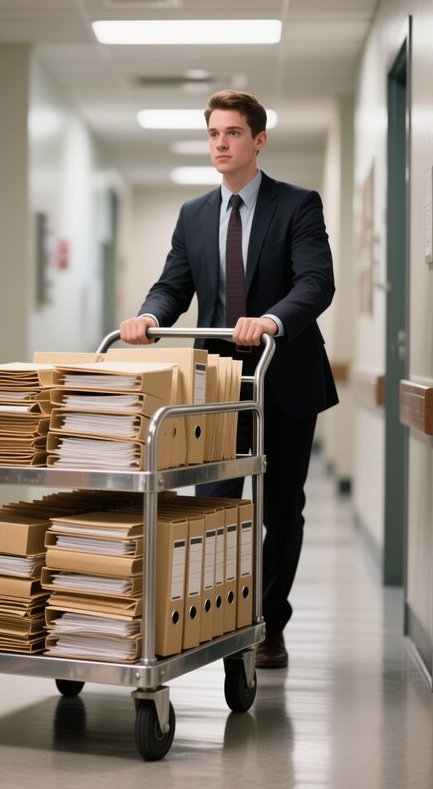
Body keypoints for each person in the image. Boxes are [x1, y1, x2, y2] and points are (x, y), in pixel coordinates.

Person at [118, 89, 338, 668]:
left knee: (279, 507)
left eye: (233, 133)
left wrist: (271, 320)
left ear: (258, 140)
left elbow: (316, 282)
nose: (221, 143)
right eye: (214, 133)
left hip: (283, 374)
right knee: (211, 503)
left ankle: (268, 623)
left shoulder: (297, 205)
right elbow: (174, 285)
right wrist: (149, 315)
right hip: (215, 382)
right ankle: (215, 617)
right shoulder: (194, 214)